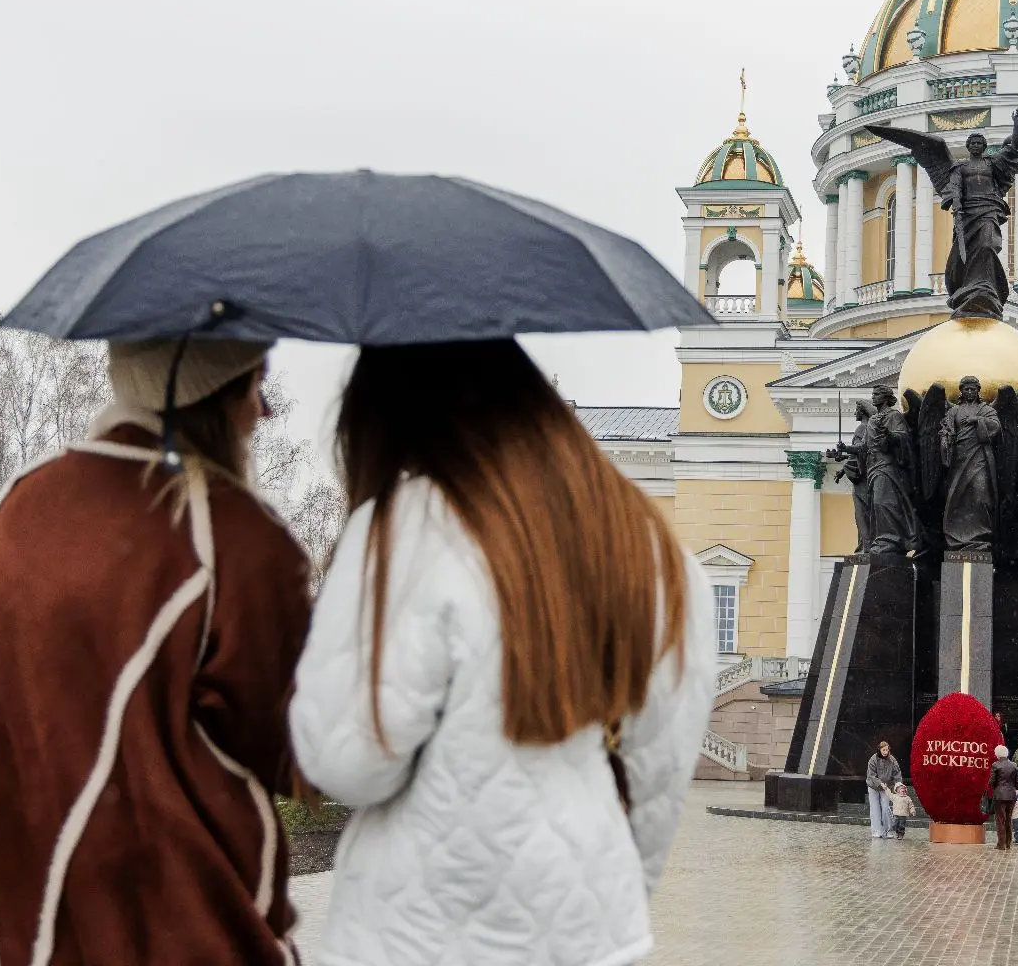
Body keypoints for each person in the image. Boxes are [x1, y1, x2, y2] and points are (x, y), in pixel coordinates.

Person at [0, 339, 314, 963]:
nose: (263, 412)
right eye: (256, 384)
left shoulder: (18, 506)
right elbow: (296, 750)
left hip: (3, 940)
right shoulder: (236, 535)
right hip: (180, 934)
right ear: (215, 397)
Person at [289, 339, 715, 966]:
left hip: (412, 937)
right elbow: (660, 772)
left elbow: (348, 761)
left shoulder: (406, 529)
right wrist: (603, 901)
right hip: (592, 936)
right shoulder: (653, 553)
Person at [866, 740, 904, 840]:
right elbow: (871, 775)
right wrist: (879, 783)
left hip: (886, 787)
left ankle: (888, 831)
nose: (885, 752)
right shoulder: (873, 759)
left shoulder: (892, 760)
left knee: (886, 807)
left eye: (887, 750)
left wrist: (899, 786)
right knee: (875, 809)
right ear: (879, 749)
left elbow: (897, 774)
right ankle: (877, 831)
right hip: (873, 786)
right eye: (884, 750)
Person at [986, 743, 1018, 850]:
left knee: (1000, 819)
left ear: (997, 754)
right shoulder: (1014, 765)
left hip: (999, 796)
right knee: (1008, 819)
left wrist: (995, 786)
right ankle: (1008, 843)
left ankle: (1001, 844)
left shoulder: (995, 765)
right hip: (1011, 796)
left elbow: (991, 781)